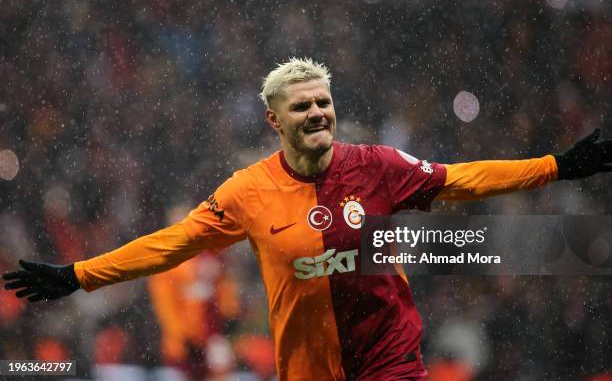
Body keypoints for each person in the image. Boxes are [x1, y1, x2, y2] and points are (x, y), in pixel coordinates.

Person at [3, 58, 612, 380]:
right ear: (276, 120)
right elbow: (173, 243)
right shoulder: (247, 191)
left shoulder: (375, 165)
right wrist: (79, 275)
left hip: (391, 364)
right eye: (303, 106)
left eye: (325, 101)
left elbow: (463, 179)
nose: (319, 112)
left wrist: (557, 165)